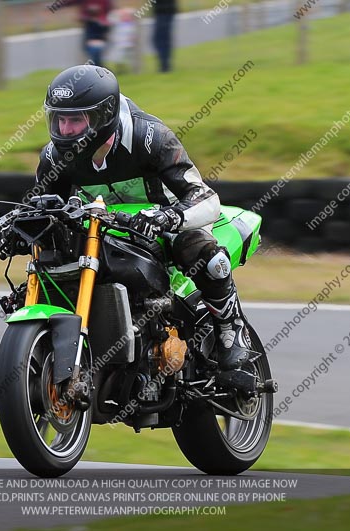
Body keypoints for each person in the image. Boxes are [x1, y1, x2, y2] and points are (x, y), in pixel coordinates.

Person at [34, 65, 255, 386]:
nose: (66, 130)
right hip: (104, 229)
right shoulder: (55, 156)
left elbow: (206, 199)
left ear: (102, 116)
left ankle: (231, 331)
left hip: (165, 223)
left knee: (200, 250)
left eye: (76, 120)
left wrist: (170, 217)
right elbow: (43, 205)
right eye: (60, 120)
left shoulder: (150, 138)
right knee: (52, 248)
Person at [57, 0, 112, 67]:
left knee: (95, 56)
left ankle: (97, 68)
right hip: (94, 38)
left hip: (96, 38)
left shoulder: (97, 23)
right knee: (94, 56)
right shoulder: (92, 23)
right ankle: (97, 67)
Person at [152, 0, 176, 72]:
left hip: (164, 10)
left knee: (161, 39)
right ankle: (164, 64)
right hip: (163, 10)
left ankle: (165, 65)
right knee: (162, 38)